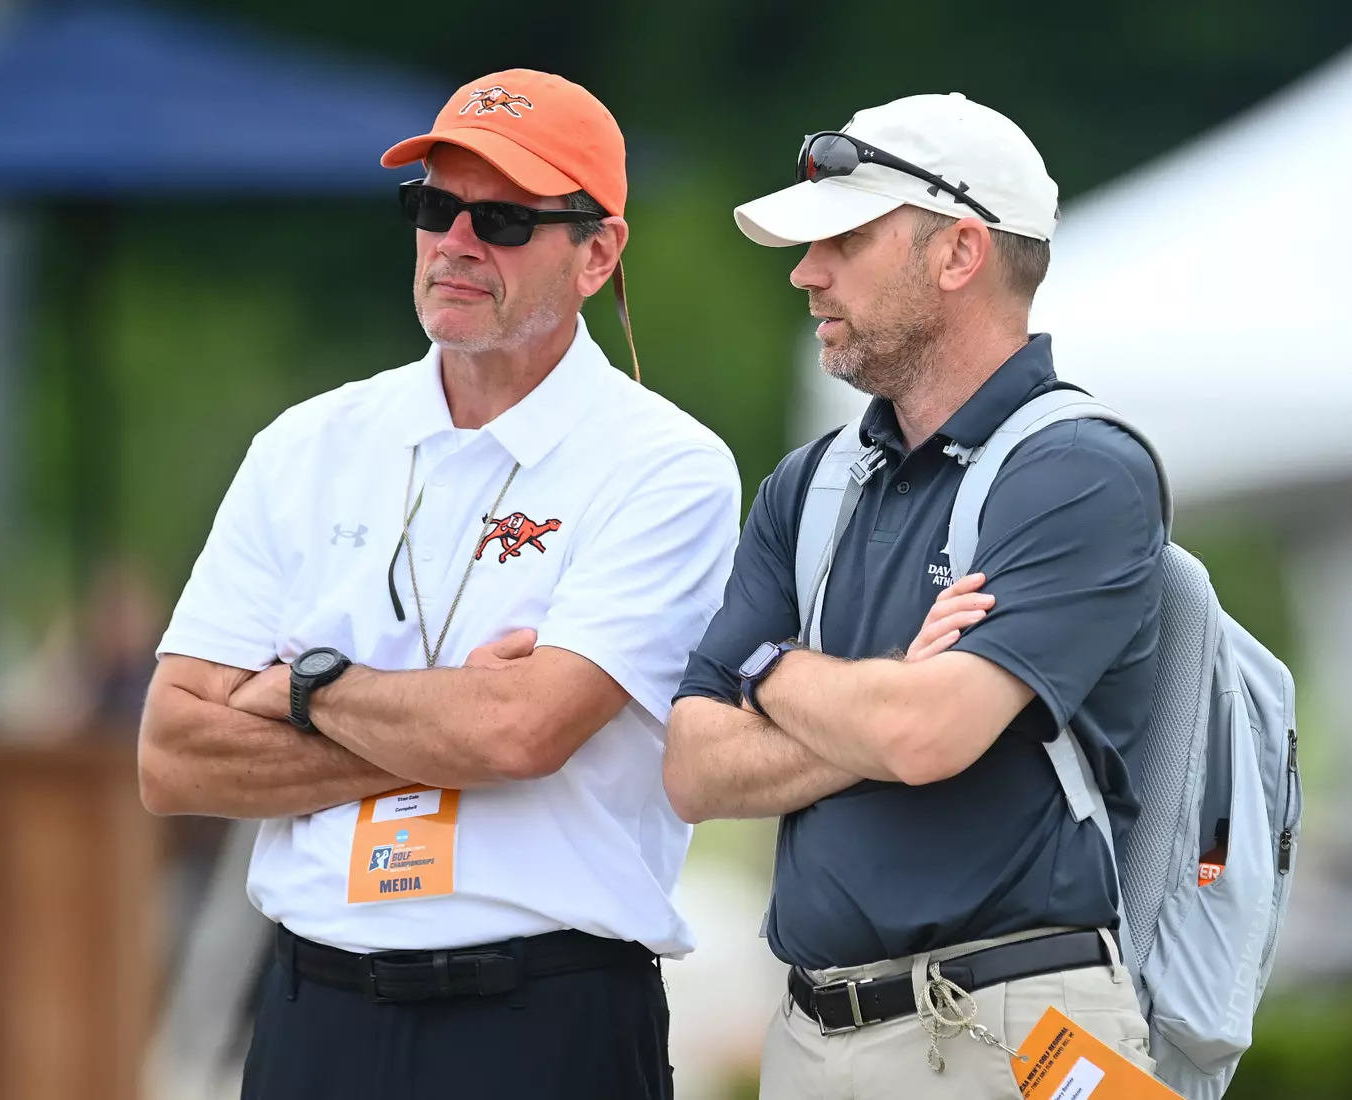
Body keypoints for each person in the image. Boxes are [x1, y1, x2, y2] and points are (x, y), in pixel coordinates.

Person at [140, 69, 740, 1100]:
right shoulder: (308, 443)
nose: (455, 241)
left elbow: (520, 732)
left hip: (539, 1015)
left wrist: (305, 687)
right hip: (312, 1009)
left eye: (502, 217)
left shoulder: (666, 465)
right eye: (432, 205)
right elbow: (171, 755)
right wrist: (445, 716)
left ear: (597, 253)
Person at [664, 92, 1165, 1099]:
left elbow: (925, 738)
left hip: (1015, 1034)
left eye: (844, 238)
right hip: (813, 1032)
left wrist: (767, 667)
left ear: (959, 253)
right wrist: (884, 694)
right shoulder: (809, 484)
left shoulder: (1082, 467)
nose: (806, 271)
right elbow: (689, 768)